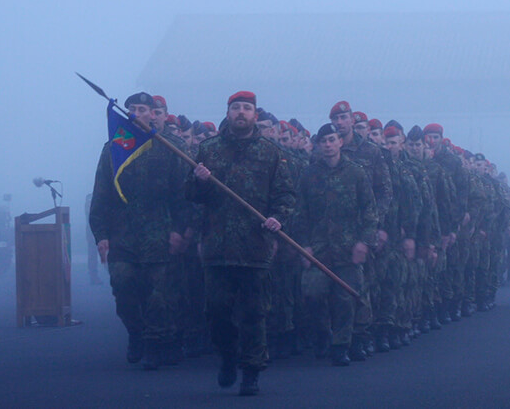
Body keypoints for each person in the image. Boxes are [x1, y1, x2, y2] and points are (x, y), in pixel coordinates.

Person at [187, 91, 296, 396]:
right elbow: (191, 195)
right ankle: (227, 356)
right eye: (236, 108)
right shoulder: (208, 150)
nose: (241, 113)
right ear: (228, 112)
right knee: (216, 311)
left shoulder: (271, 152)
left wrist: (278, 218)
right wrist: (199, 180)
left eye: (247, 108)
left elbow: (286, 194)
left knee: (254, 313)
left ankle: (251, 371)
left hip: (254, 246)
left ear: (255, 114)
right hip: (217, 248)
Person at [89, 91, 190, 369]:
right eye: (131, 108)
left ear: (154, 113)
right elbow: (101, 195)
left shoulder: (172, 147)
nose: (136, 113)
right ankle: (136, 332)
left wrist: (180, 230)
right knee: (123, 288)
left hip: (160, 233)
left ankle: (156, 345)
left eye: (142, 109)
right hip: (124, 235)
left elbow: (184, 196)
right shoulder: (114, 148)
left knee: (160, 295)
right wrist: (102, 235)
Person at [298, 123, 377, 366]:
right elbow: (300, 213)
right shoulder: (308, 175)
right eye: (324, 141)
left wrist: (364, 242)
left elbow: (369, 211)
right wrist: (304, 245)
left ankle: (342, 345)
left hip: (348, 247)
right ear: (318, 145)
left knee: (346, 297)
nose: (329, 145)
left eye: (332, 139)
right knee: (312, 293)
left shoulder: (356, 173)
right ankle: (323, 332)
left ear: (340, 142)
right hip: (319, 248)